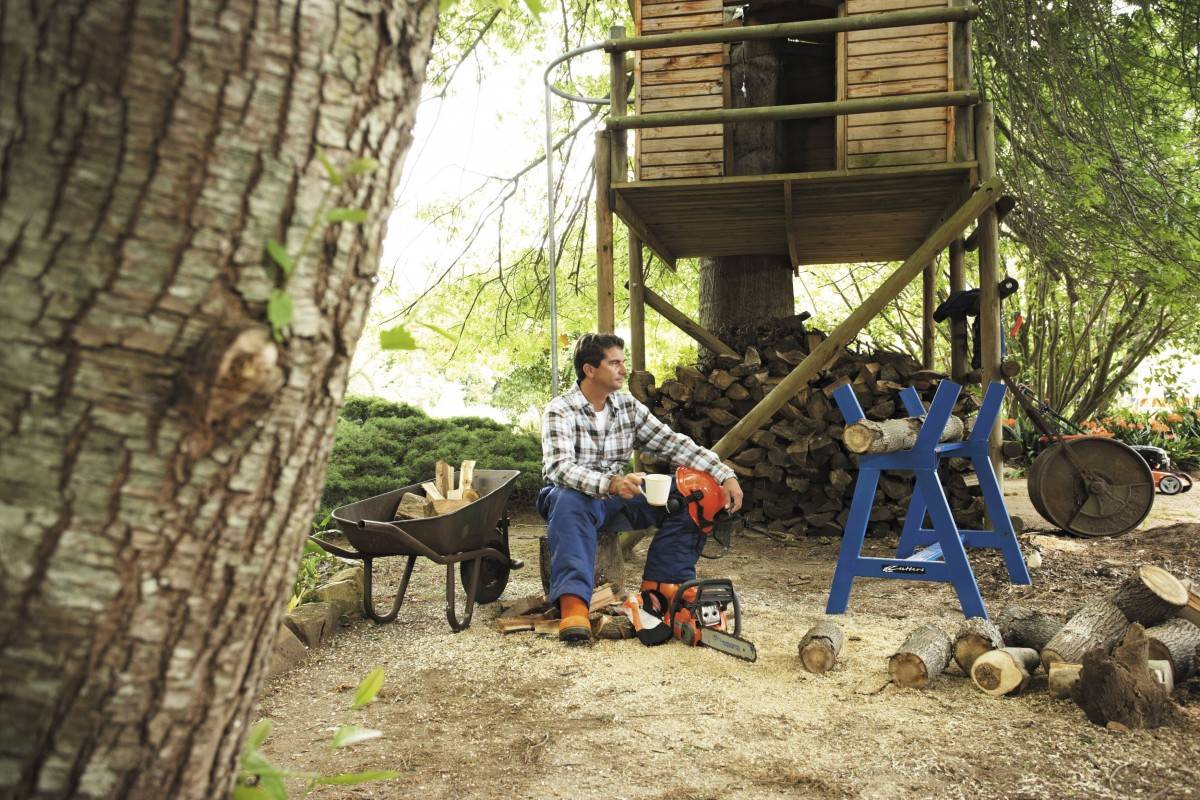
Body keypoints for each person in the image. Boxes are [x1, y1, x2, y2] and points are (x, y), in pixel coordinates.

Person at [539, 333, 744, 642]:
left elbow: (673, 443)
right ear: (589, 370)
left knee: (692, 493)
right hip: (570, 498)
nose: (624, 370)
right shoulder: (560, 410)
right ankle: (574, 605)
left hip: (617, 499)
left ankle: (664, 590)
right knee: (568, 500)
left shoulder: (626, 406)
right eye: (614, 363)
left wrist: (724, 474)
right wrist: (610, 483)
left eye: (623, 362)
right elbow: (559, 468)